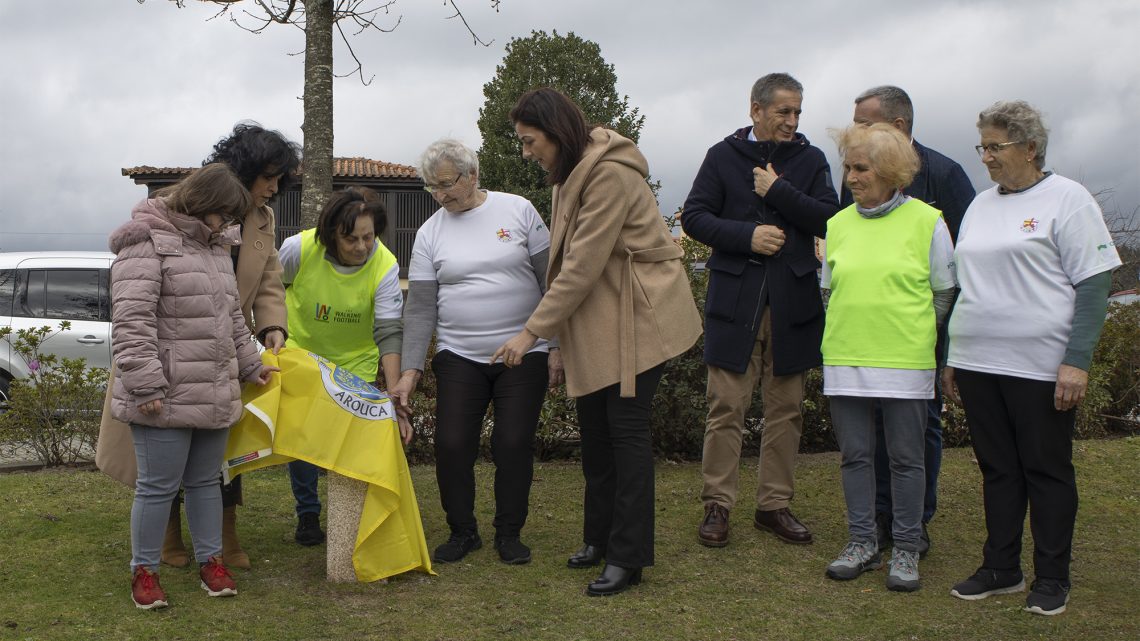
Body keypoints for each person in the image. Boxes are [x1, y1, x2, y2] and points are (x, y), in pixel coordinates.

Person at [493, 87, 701, 596]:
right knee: (596, 435)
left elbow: (581, 267)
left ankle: (628, 557)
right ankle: (599, 538)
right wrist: (560, 338)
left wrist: (530, 334)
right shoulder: (568, 172)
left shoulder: (608, 172)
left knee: (626, 437)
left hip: (638, 320)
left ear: (556, 132)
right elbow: (568, 265)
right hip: (599, 321)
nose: (526, 152)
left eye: (529, 140)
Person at [97, 122, 300, 570]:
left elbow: (265, 282)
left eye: (280, 178)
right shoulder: (172, 215)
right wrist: (146, 379)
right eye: (268, 175)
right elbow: (132, 315)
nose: (274, 186)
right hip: (165, 355)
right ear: (242, 172)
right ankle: (167, 539)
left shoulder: (261, 220)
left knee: (220, 456)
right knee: (162, 462)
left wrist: (270, 329)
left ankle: (223, 540)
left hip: (220, 353)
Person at [944, 100, 1120, 615]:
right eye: (983, 146)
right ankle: (1001, 567)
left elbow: (1094, 283)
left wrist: (1077, 361)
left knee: (1045, 469)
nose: (987, 158)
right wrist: (955, 353)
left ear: (1030, 148)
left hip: (1041, 365)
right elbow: (966, 286)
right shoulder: (979, 205)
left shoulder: (1069, 200)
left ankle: (1052, 577)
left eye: (996, 147)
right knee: (997, 469)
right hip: (980, 360)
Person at [681, 72, 838, 548]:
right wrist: (745, 236)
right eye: (782, 112)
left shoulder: (811, 160)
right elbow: (694, 216)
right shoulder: (722, 156)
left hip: (793, 303)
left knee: (786, 409)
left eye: (797, 113)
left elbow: (831, 217)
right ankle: (718, 505)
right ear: (756, 110)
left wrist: (778, 192)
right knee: (726, 406)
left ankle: (773, 506)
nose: (791, 121)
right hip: (734, 302)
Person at [389, 139, 560, 566]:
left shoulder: (518, 210)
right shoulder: (430, 232)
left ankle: (509, 533)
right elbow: (422, 307)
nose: (440, 195)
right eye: (432, 187)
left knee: (513, 441)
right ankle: (463, 531)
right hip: (459, 355)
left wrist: (554, 345)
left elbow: (553, 284)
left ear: (473, 175)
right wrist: (410, 371)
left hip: (524, 352)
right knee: (451, 443)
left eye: (446, 184)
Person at [840, 85, 977, 556]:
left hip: (922, 336)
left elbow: (960, 267)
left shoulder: (946, 174)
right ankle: (876, 521)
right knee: (866, 438)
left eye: (865, 122)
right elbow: (840, 266)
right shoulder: (854, 179)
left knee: (919, 434)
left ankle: (914, 523)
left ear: (897, 128)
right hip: (859, 342)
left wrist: (932, 330)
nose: (855, 132)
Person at [820, 123, 956, 592]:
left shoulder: (927, 221)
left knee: (905, 458)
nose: (852, 177)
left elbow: (943, 293)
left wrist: (910, 334)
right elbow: (828, 291)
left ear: (892, 172)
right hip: (845, 357)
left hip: (905, 360)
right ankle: (861, 542)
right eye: (849, 167)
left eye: (862, 168)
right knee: (855, 456)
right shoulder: (837, 224)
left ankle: (905, 546)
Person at [280, 187, 412, 546]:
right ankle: (308, 511)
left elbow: (388, 331)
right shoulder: (298, 249)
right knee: (304, 441)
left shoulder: (384, 265)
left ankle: (350, 515)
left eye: (368, 237)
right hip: (303, 356)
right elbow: (270, 291)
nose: (361, 247)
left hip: (356, 361)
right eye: (350, 238)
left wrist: (395, 388)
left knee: (350, 442)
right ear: (330, 234)